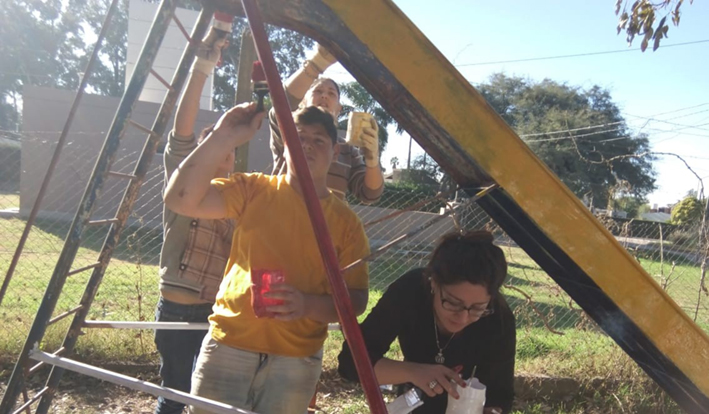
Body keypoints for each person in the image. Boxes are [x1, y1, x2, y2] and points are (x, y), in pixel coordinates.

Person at [164, 104, 371, 414]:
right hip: (229, 344)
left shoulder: (346, 223)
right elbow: (180, 198)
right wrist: (223, 136)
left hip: (296, 358)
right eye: (299, 138)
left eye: (318, 140)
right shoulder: (254, 190)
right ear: (285, 146)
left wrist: (306, 304)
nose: (308, 146)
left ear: (335, 150)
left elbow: (356, 300)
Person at [338, 230, 516, 414]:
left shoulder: (498, 318)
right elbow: (350, 363)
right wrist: (413, 372)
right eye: (453, 303)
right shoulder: (410, 291)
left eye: (478, 308)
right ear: (433, 283)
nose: (463, 318)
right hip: (414, 401)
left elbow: (500, 395)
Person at [153, 16, 233, 414]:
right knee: (174, 393)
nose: (218, 154)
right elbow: (181, 133)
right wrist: (203, 68)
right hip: (177, 306)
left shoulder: (238, 198)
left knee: (208, 398)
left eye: (226, 148)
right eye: (209, 147)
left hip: (215, 312)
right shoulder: (185, 186)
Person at [269, 44, 384, 203]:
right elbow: (281, 103)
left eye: (331, 94)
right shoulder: (289, 130)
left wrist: (372, 159)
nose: (324, 96)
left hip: (326, 227)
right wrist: (318, 62)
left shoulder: (347, 150)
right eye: (317, 91)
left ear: (338, 109)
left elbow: (370, 194)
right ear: (303, 101)